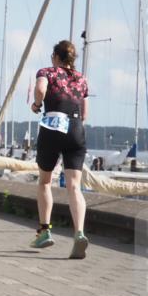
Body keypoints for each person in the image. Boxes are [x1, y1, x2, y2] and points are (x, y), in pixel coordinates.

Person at [29, 39, 90, 258]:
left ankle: (45, 231)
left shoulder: (47, 71)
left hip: (53, 124)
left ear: (55, 56)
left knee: (45, 181)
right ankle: (79, 232)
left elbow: (40, 89)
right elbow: (85, 113)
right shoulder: (81, 79)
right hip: (76, 128)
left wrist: (37, 105)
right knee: (74, 186)